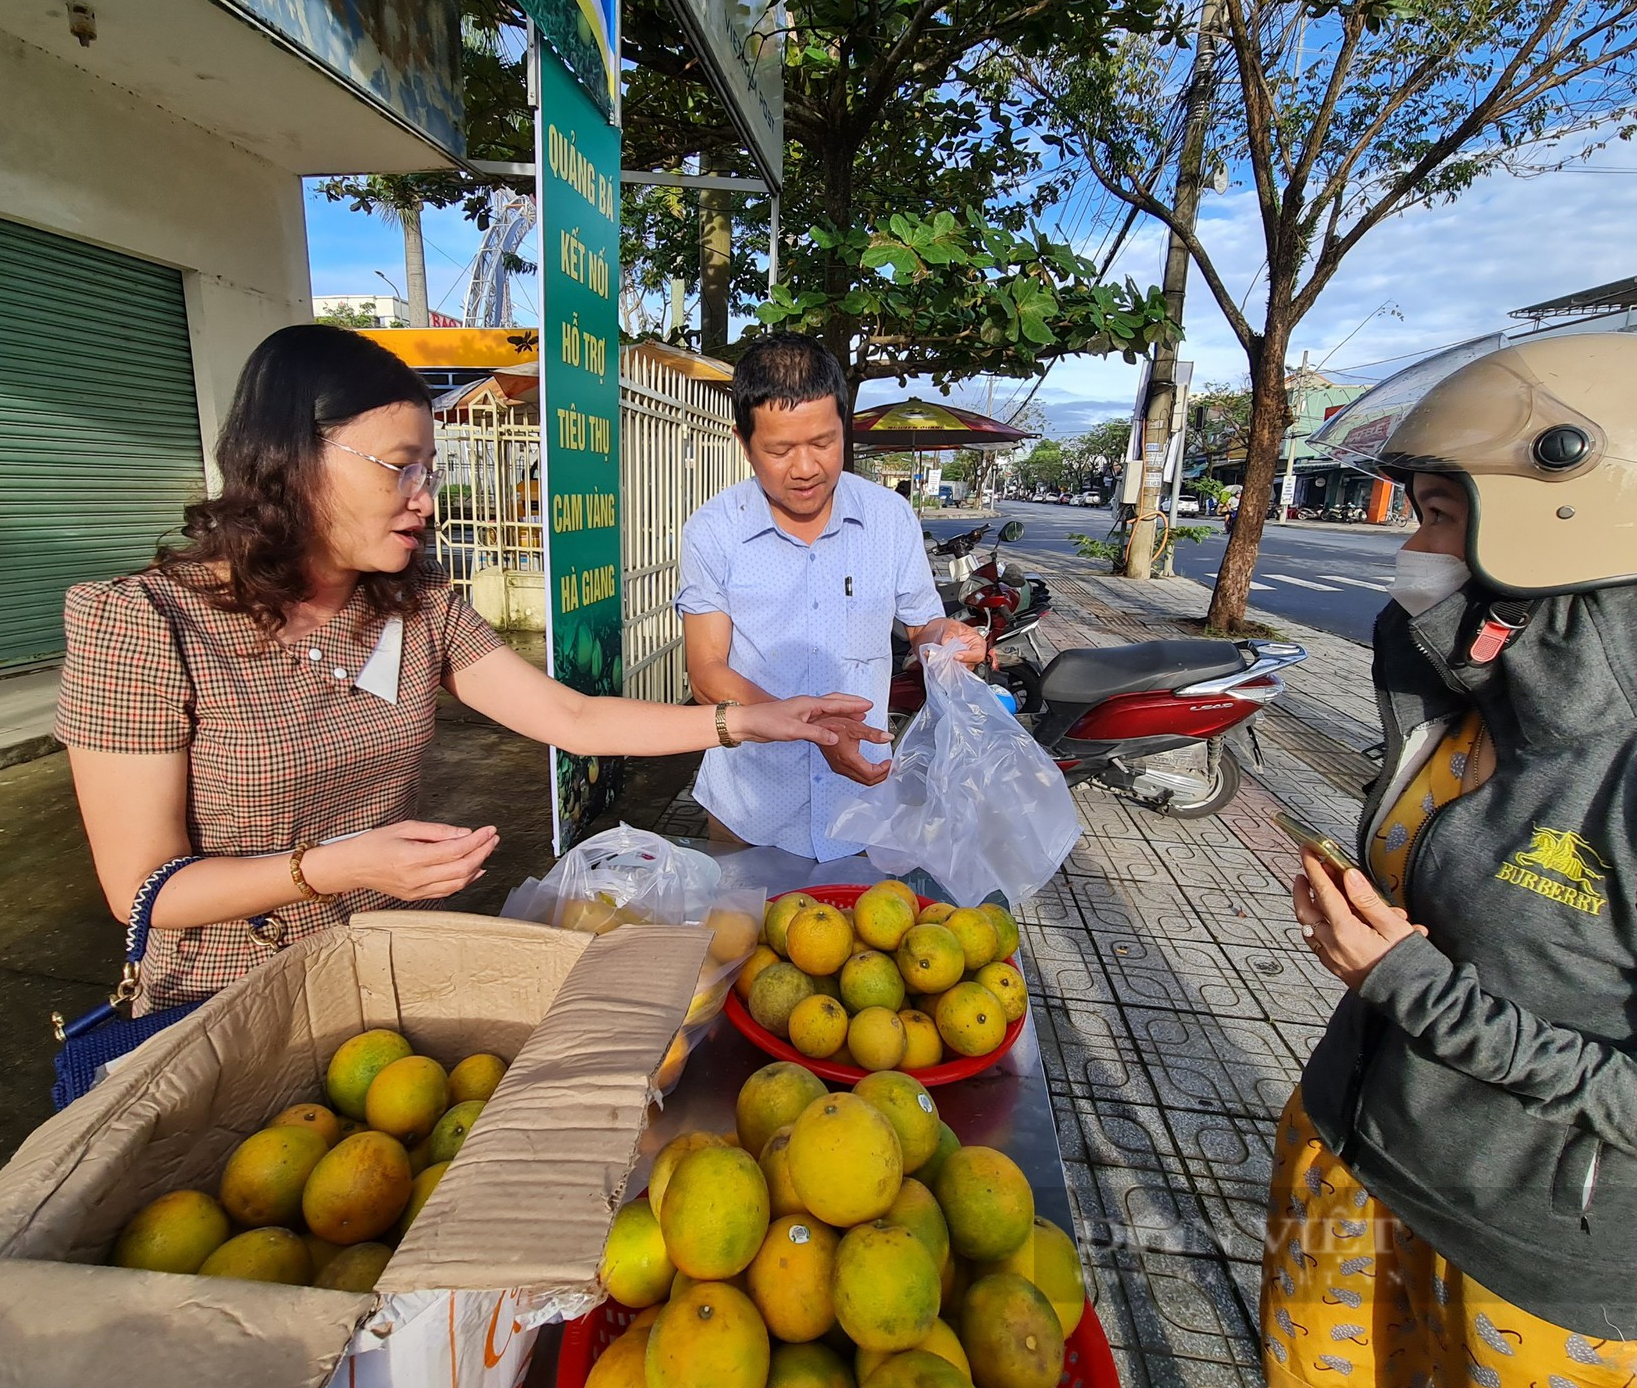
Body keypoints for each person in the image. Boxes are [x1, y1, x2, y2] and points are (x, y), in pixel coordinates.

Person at [1262, 332, 1637, 1388]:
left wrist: (1411, 987)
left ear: (1569, 524)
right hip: (1348, 1162)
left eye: (1436, 514)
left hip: (1528, 1264)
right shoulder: (1465, 685)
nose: (1409, 546)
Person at [55, 325, 875, 1012]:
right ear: (293, 460)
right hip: (224, 1004)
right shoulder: (142, 624)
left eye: (430, 470)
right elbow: (144, 889)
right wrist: (340, 866)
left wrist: (751, 719)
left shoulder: (415, 606)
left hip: (383, 983)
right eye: (399, 466)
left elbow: (573, 719)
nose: (425, 497)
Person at [677, 334, 986, 857]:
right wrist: (814, 729)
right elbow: (707, 674)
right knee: (742, 939)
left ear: (845, 427)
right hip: (751, 807)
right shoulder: (712, 531)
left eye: (823, 443)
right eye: (779, 450)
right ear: (743, 441)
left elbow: (921, 626)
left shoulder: (889, 518)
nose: (805, 468)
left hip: (861, 807)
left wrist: (946, 639)